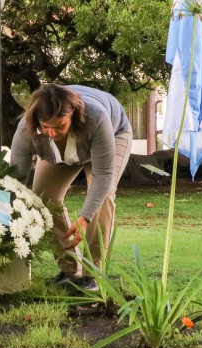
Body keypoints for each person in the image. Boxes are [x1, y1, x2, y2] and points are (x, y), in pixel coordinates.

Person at [9, 84, 132, 290]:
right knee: (42, 198)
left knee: (102, 198)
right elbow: (16, 178)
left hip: (113, 133)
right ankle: (70, 270)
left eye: (59, 126)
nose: (52, 132)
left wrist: (85, 217)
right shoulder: (27, 129)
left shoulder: (96, 118)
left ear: (73, 115)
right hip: (63, 151)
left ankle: (92, 274)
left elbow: (103, 176)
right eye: (46, 126)